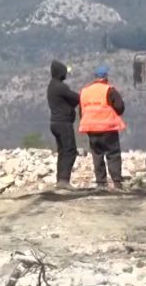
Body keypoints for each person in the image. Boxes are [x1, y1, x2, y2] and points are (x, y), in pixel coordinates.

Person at [78, 65, 126, 189]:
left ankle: (101, 182)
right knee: (113, 154)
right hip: (108, 128)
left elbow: (81, 111)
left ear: (95, 78)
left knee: (97, 154)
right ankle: (116, 181)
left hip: (91, 129)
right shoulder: (109, 90)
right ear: (105, 78)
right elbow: (120, 108)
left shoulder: (85, 92)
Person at [46, 60, 80, 190]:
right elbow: (76, 97)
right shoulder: (60, 87)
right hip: (63, 123)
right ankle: (64, 180)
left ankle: (60, 179)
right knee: (70, 151)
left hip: (55, 122)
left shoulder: (52, 85)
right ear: (61, 73)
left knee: (62, 152)